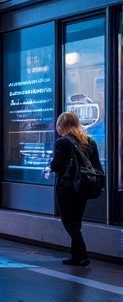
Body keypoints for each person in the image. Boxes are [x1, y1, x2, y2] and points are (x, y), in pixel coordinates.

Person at [44, 111, 101, 267]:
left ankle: (82, 254)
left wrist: (49, 168)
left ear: (62, 126)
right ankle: (75, 255)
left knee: (68, 221)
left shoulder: (62, 142)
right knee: (76, 221)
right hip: (84, 186)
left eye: (58, 126)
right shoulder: (90, 141)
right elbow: (97, 166)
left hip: (67, 187)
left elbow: (57, 165)